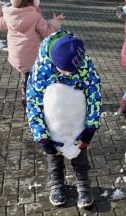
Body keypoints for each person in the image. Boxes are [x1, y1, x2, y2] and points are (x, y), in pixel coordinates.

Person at [26, 30, 102, 208]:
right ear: (54, 61)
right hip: (52, 125)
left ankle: (83, 183)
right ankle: (57, 183)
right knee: (54, 157)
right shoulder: (42, 70)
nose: (68, 74)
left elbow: (94, 94)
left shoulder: (83, 63)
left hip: (77, 123)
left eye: (72, 71)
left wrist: (90, 128)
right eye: (64, 70)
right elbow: (33, 104)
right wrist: (42, 137)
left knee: (80, 155)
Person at [0, 0, 64, 107]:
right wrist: (54, 22)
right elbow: (47, 33)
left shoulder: (8, 14)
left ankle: (27, 94)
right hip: (31, 55)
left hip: (16, 55)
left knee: (26, 73)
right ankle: (31, 95)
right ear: (34, 1)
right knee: (33, 74)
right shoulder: (35, 16)